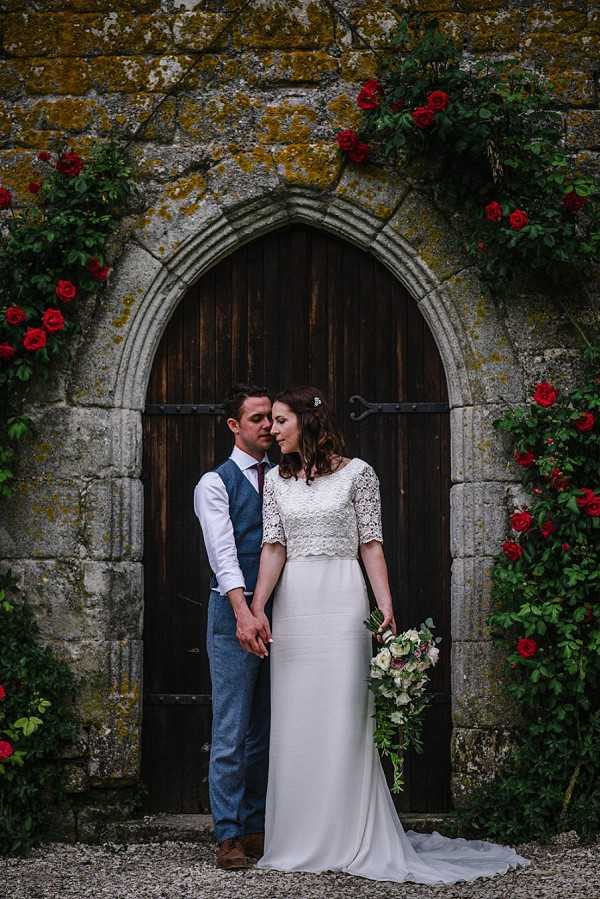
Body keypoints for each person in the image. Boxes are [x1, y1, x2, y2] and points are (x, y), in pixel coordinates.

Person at [244, 385, 530, 885]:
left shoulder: (359, 475)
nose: (273, 429)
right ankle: (296, 836)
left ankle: (349, 834)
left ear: (308, 423)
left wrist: (385, 606)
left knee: (343, 713)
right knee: (296, 715)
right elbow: (273, 548)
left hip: (341, 598)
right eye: (271, 422)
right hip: (296, 602)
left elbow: (370, 545)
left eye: (282, 421)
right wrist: (258, 606)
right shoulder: (276, 482)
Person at [193, 384, 275, 871]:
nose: (267, 425)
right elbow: (223, 554)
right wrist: (244, 612)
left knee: (265, 727)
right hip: (233, 614)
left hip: (280, 610)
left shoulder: (284, 477)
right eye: (257, 418)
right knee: (231, 728)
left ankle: (257, 825)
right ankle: (227, 835)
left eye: (270, 417)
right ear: (234, 426)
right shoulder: (215, 482)